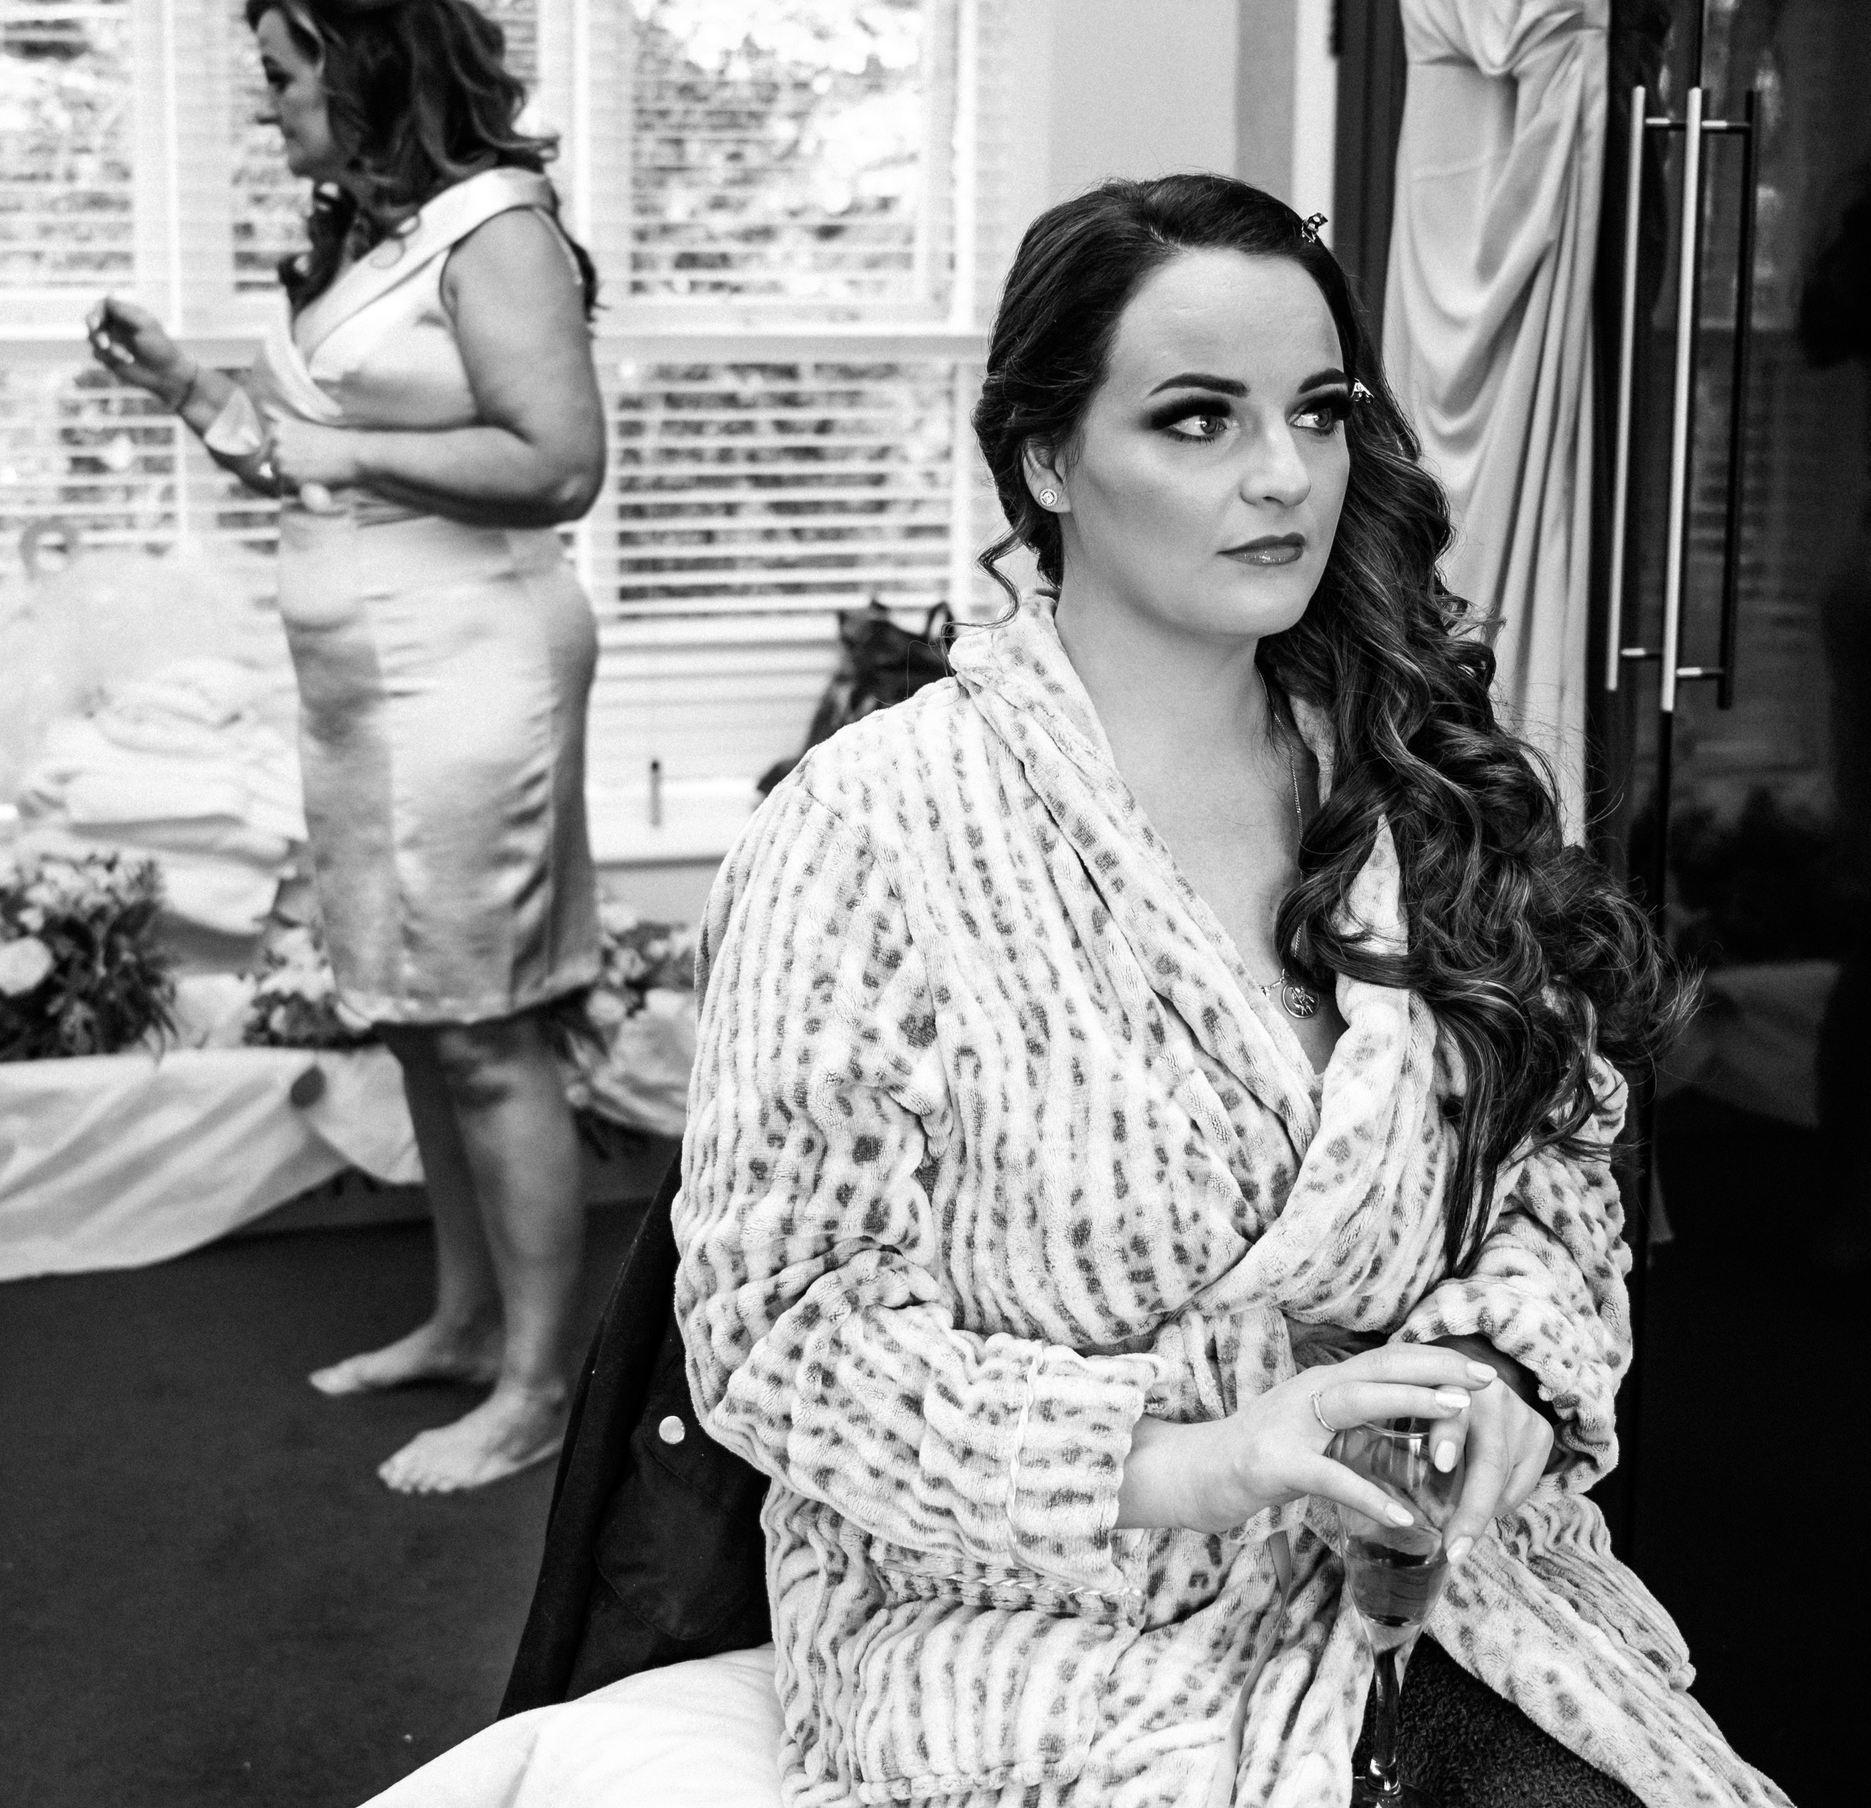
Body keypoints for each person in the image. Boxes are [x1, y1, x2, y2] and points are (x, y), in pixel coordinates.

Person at [663, 175, 1788, 1805]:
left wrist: (1500, 1384)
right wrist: (1199, 1461)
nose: (1283, 476)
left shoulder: (1416, 793)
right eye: (1197, 419)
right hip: (1042, 1636)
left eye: (1319, 413)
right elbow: (780, 1331)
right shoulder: (871, 832)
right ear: (1047, 460)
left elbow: (1557, 1185)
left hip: (1434, 1604)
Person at [90, 0, 607, 1494]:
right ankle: (464, 1321)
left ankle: (538, 1388)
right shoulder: (372, 237)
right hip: (366, 681)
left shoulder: (494, 228)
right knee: (427, 1023)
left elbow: (560, 463)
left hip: (472, 665)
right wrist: (192, 391)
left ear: (359, 68)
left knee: (491, 1032)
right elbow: (310, 454)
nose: (269, 107)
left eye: (283, 75)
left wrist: (353, 453)